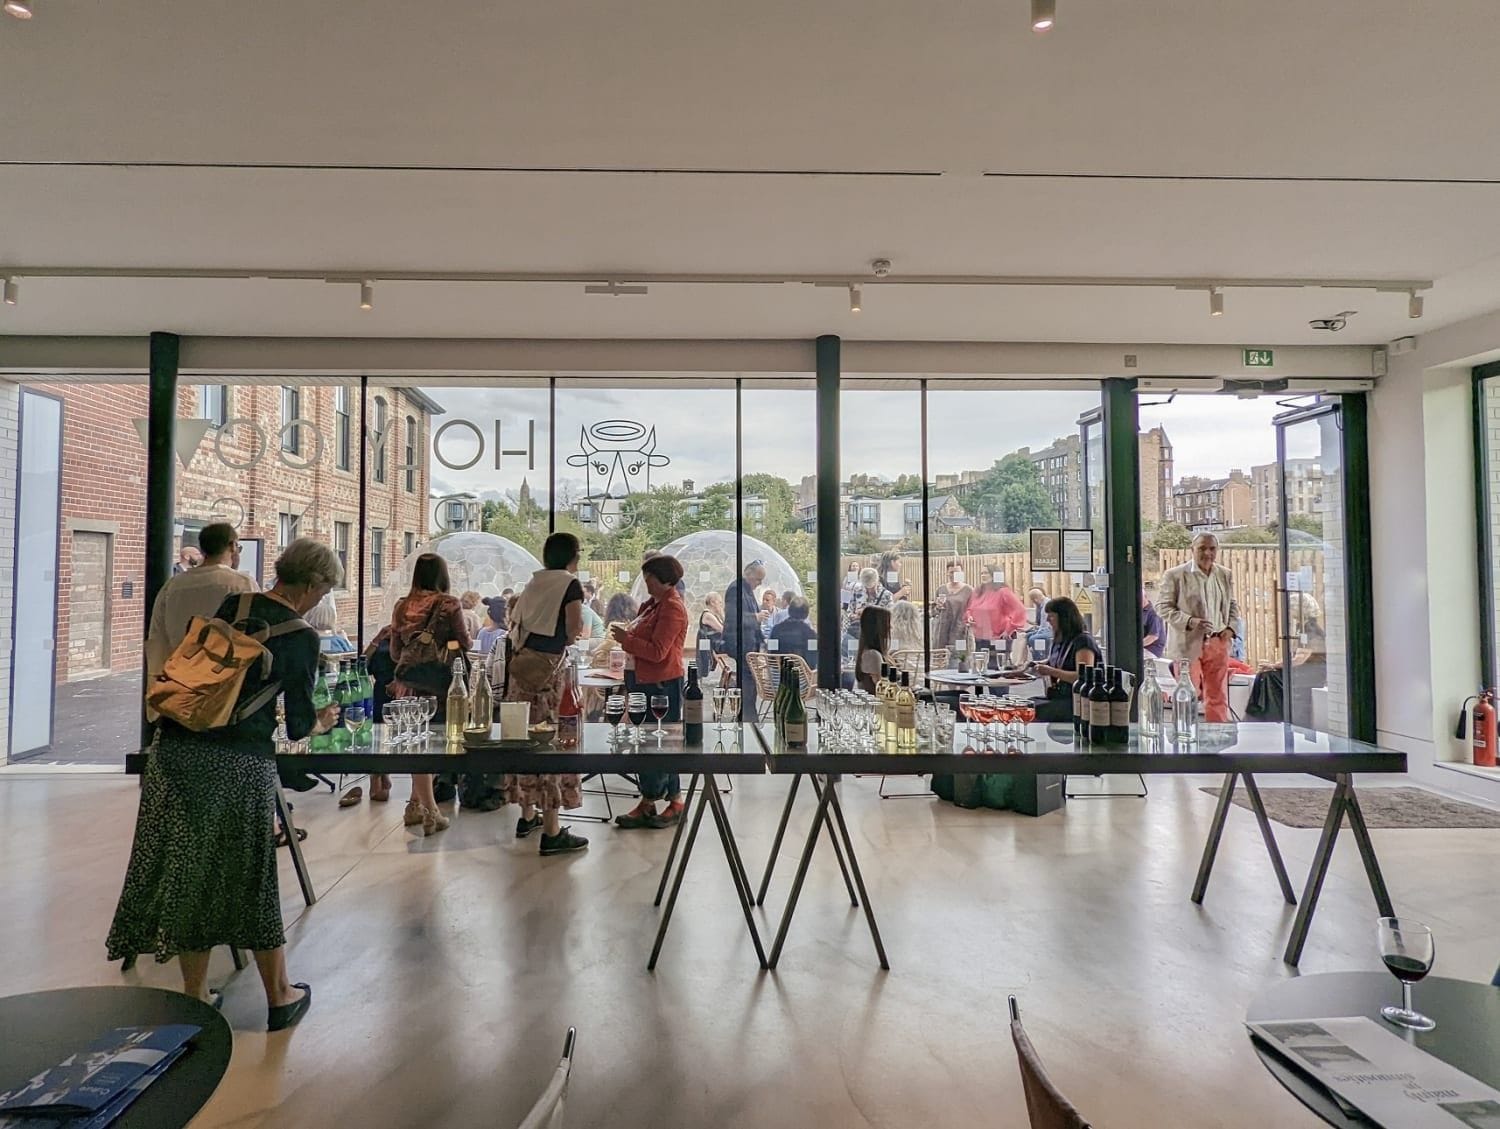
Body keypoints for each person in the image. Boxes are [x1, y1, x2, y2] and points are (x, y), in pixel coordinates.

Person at [107, 537, 341, 1030]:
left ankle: (196, 993)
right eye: (323, 590)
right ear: (312, 584)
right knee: (249, 874)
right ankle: (279, 995)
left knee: (189, 868)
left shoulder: (237, 604)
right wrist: (323, 719)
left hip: (176, 750)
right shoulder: (301, 636)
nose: (321, 599)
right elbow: (299, 726)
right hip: (237, 762)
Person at [503, 532, 589, 856]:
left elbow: (516, 625)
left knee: (523, 741)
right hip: (547, 675)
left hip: (521, 671)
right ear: (573, 555)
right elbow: (573, 629)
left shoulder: (533, 583)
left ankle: (527, 814)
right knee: (549, 742)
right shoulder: (569, 584)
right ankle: (552, 830)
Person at [389, 553, 471, 836]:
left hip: (407, 683)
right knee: (433, 745)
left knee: (414, 744)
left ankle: (415, 804)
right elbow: (465, 641)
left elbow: (395, 652)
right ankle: (431, 812)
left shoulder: (401, 606)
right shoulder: (449, 604)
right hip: (438, 683)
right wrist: (443, 643)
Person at [611, 554, 690, 829]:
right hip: (642, 682)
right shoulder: (651, 605)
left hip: (660, 684)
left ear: (664, 580)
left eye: (650, 580)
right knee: (649, 743)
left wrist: (627, 640)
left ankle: (663, 800)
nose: (647, 585)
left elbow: (658, 652)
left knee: (659, 743)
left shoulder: (673, 608)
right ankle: (659, 800)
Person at [145, 522, 256, 685]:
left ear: (203, 549)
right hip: (227, 686)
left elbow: (157, 639)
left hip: (181, 682)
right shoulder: (244, 584)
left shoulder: (172, 586)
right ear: (232, 546)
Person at [1157, 532, 1239, 723]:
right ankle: (1185, 738)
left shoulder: (1224, 574)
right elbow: (1162, 607)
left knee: (1217, 696)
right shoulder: (1175, 575)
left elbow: (1232, 604)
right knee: (1187, 695)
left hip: (1218, 641)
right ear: (1192, 550)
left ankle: (1216, 739)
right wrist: (1190, 621)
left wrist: (1231, 628)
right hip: (1188, 643)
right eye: (1202, 548)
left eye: (1212, 548)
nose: (1207, 553)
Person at [1032, 596, 1099, 722]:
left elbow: (1082, 676)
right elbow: (1056, 662)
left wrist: (1050, 671)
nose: (1048, 620)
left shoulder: (1083, 641)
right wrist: (1033, 665)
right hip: (1060, 698)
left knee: (1027, 710)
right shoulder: (1062, 640)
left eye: (1051, 616)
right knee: (1022, 705)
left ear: (1063, 618)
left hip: (1075, 702)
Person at [723, 560, 768, 718]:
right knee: (747, 683)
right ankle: (748, 717)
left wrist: (762, 641)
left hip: (748, 644)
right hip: (740, 644)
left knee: (750, 683)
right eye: (757, 579)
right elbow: (733, 618)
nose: (760, 583)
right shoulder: (736, 589)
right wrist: (756, 617)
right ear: (748, 574)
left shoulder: (746, 589)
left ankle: (749, 715)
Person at [932, 563, 973, 650]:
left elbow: (974, 611)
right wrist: (937, 607)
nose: (954, 575)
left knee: (959, 658)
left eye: (957, 572)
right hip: (942, 632)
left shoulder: (969, 590)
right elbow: (933, 612)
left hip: (960, 631)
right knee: (940, 659)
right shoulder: (941, 589)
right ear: (947, 573)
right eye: (951, 572)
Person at [770, 596, 818, 669]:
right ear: (806, 613)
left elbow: (771, 654)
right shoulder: (811, 634)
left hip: (777, 676)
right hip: (802, 677)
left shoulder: (775, 630)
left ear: (789, 611)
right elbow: (812, 661)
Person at [854, 606, 891, 694]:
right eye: (887, 623)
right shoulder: (873, 655)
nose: (890, 627)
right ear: (877, 627)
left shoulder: (868, 652)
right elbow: (882, 689)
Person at [1024, 586, 1052, 660]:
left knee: (1032, 639)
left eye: (1032, 600)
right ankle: (1035, 657)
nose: (1033, 602)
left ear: (1035, 599)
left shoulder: (1047, 605)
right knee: (1028, 636)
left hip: (1051, 631)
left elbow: (1046, 626)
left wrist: (1036, 632)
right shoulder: (1040, 606)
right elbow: (1039, 624)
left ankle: (1039, 659)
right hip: (1044, 630)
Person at [1142, 586, 1166, 659]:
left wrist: (1136, 647)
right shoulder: (1140, 612)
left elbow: (1153, 636)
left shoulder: (1153, 613)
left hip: (1151, 650)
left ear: (1145, 597)